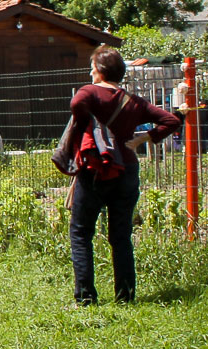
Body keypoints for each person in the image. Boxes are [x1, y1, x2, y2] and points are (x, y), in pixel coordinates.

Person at [65, 46, 184, 305]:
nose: (90, 71)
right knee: (121, 236)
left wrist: (88, 124)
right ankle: (126, 297)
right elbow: (171, 121)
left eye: (92, 67)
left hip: (95, 169)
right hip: (126, 169)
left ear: (99, 71)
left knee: (81, 233)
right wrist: (142, 139)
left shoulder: (89, 92)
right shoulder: (134, 102)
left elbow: (76, 103)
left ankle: (85, 298)